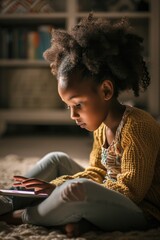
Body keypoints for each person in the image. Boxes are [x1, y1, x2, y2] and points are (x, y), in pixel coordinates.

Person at [0, 14, 160, 238]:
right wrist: (58, 184)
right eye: (68, 107)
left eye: (78, 104)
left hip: (143, 210)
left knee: (78, 190)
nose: (73, 115)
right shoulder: (102, 127)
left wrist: (59, 189)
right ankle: (7, 201)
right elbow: (96, 172)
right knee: (56, 159)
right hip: (110, 194)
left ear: (106, 91)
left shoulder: (138, 127)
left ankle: (22, 215)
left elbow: (130, 192)